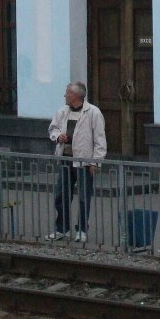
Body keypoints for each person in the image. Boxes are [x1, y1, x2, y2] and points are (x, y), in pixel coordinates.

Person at [46, 81, 106, 242]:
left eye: (67, 93)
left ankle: (81, 229)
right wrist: (58, 136)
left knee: (83, 197)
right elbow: (53, 128)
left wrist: (95, 162)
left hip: (83, 161)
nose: (65, 95)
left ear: (75, 96)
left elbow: (100, 139)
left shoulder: (93, 112)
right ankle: (61, 228)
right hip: (66, 158)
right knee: (61, 195)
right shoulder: (63, 111)